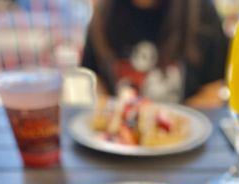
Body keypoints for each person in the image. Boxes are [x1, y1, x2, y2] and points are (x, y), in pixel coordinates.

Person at [82, 0, 229, 108]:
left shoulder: (201, 11)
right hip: (119, 142)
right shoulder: (103, 13)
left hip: (185, 141)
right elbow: (94, 80)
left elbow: (213, 90)